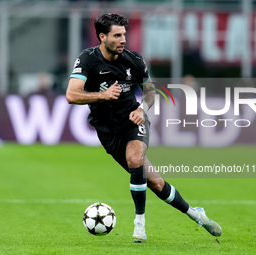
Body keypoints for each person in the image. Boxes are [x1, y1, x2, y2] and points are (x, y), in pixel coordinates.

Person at [66, 12, 222, 243]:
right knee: (156, 183)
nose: (123, 40)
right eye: (117, 35)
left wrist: (142, 110)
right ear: (102, 37)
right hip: (108, 132)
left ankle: (139, 224)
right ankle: (196, 214)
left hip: (134, 122)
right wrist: (103, 95)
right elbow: (71, 94)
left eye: (124, 35)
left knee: (135, 158)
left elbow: (150, 92)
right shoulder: (88, 59)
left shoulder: (134, 60)